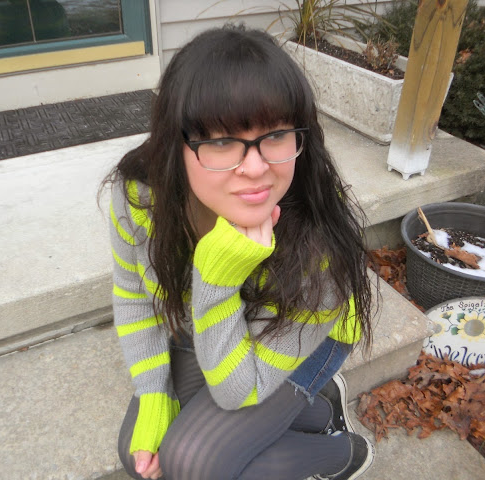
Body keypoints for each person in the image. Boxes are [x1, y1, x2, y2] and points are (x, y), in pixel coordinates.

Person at [99, 25, 375, 480]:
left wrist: (217, 277)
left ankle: (345, 453)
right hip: (210, 329)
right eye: (221, 141)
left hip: (303, 341)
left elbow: (237, 392)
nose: (255, 168)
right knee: (139, 456)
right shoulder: (141, 196)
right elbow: (133, 296)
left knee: (194, 464)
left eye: (276, 135)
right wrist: (153, 393)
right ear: (175, 142)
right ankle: (318, 414)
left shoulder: (319, 242)